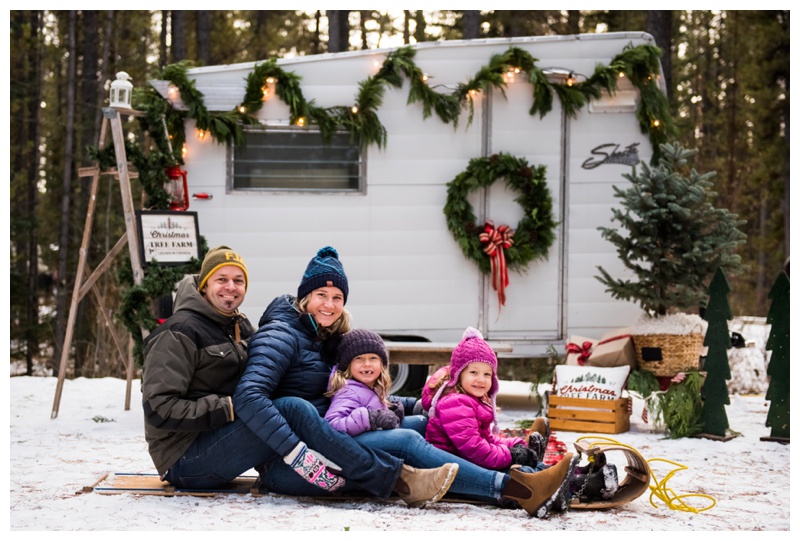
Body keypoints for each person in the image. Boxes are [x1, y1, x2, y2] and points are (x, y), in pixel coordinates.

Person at [234, 246, 578, 518]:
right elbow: (252, 397)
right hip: (295, 458)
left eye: (337, 297)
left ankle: (532, 468)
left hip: (333, 432)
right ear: (305, 297)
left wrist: (426, 401)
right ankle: (513, 489)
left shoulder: (325, 337)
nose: (329, 304)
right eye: (321, 295)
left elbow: (358, 389)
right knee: (408, 442)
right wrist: (295, 451)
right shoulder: (281, 335)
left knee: (426, 423)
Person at [141, 245, 455, 507]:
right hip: (184, 458)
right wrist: (226, 408)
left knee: (306, 409)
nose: (231, 287)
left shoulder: (237, 327)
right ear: (204, 285)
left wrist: (417, 402)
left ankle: (465, 464)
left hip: (224, 437)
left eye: (238, 280)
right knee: (293, 407)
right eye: (221, 279)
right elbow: (158, 408)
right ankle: (398, 479)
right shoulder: (178, 331)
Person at [422, 327, 549, 473]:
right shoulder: (455, 403)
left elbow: (486, 438)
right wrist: (512, 456)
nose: (481, 379)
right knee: (519, 473)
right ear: (459, 374)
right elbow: (476, 450)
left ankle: (543, 468)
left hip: (466, 460)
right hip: (453, 468)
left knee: (527, 465)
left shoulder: (472, 399)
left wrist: (515, 444)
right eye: (474, 372)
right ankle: (540, 480)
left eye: (487, 374)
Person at [324, 328, 426, 436]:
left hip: (371, 433)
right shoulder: (348, 391)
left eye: (373, 358)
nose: (367, 364)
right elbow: (332, 425)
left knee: (421, 422)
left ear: (382, 364)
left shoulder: (370, 387)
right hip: (358, 443)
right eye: (359, 358)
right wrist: (371, 418)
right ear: (348, 365)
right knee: (411, 438)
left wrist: (389, 410)